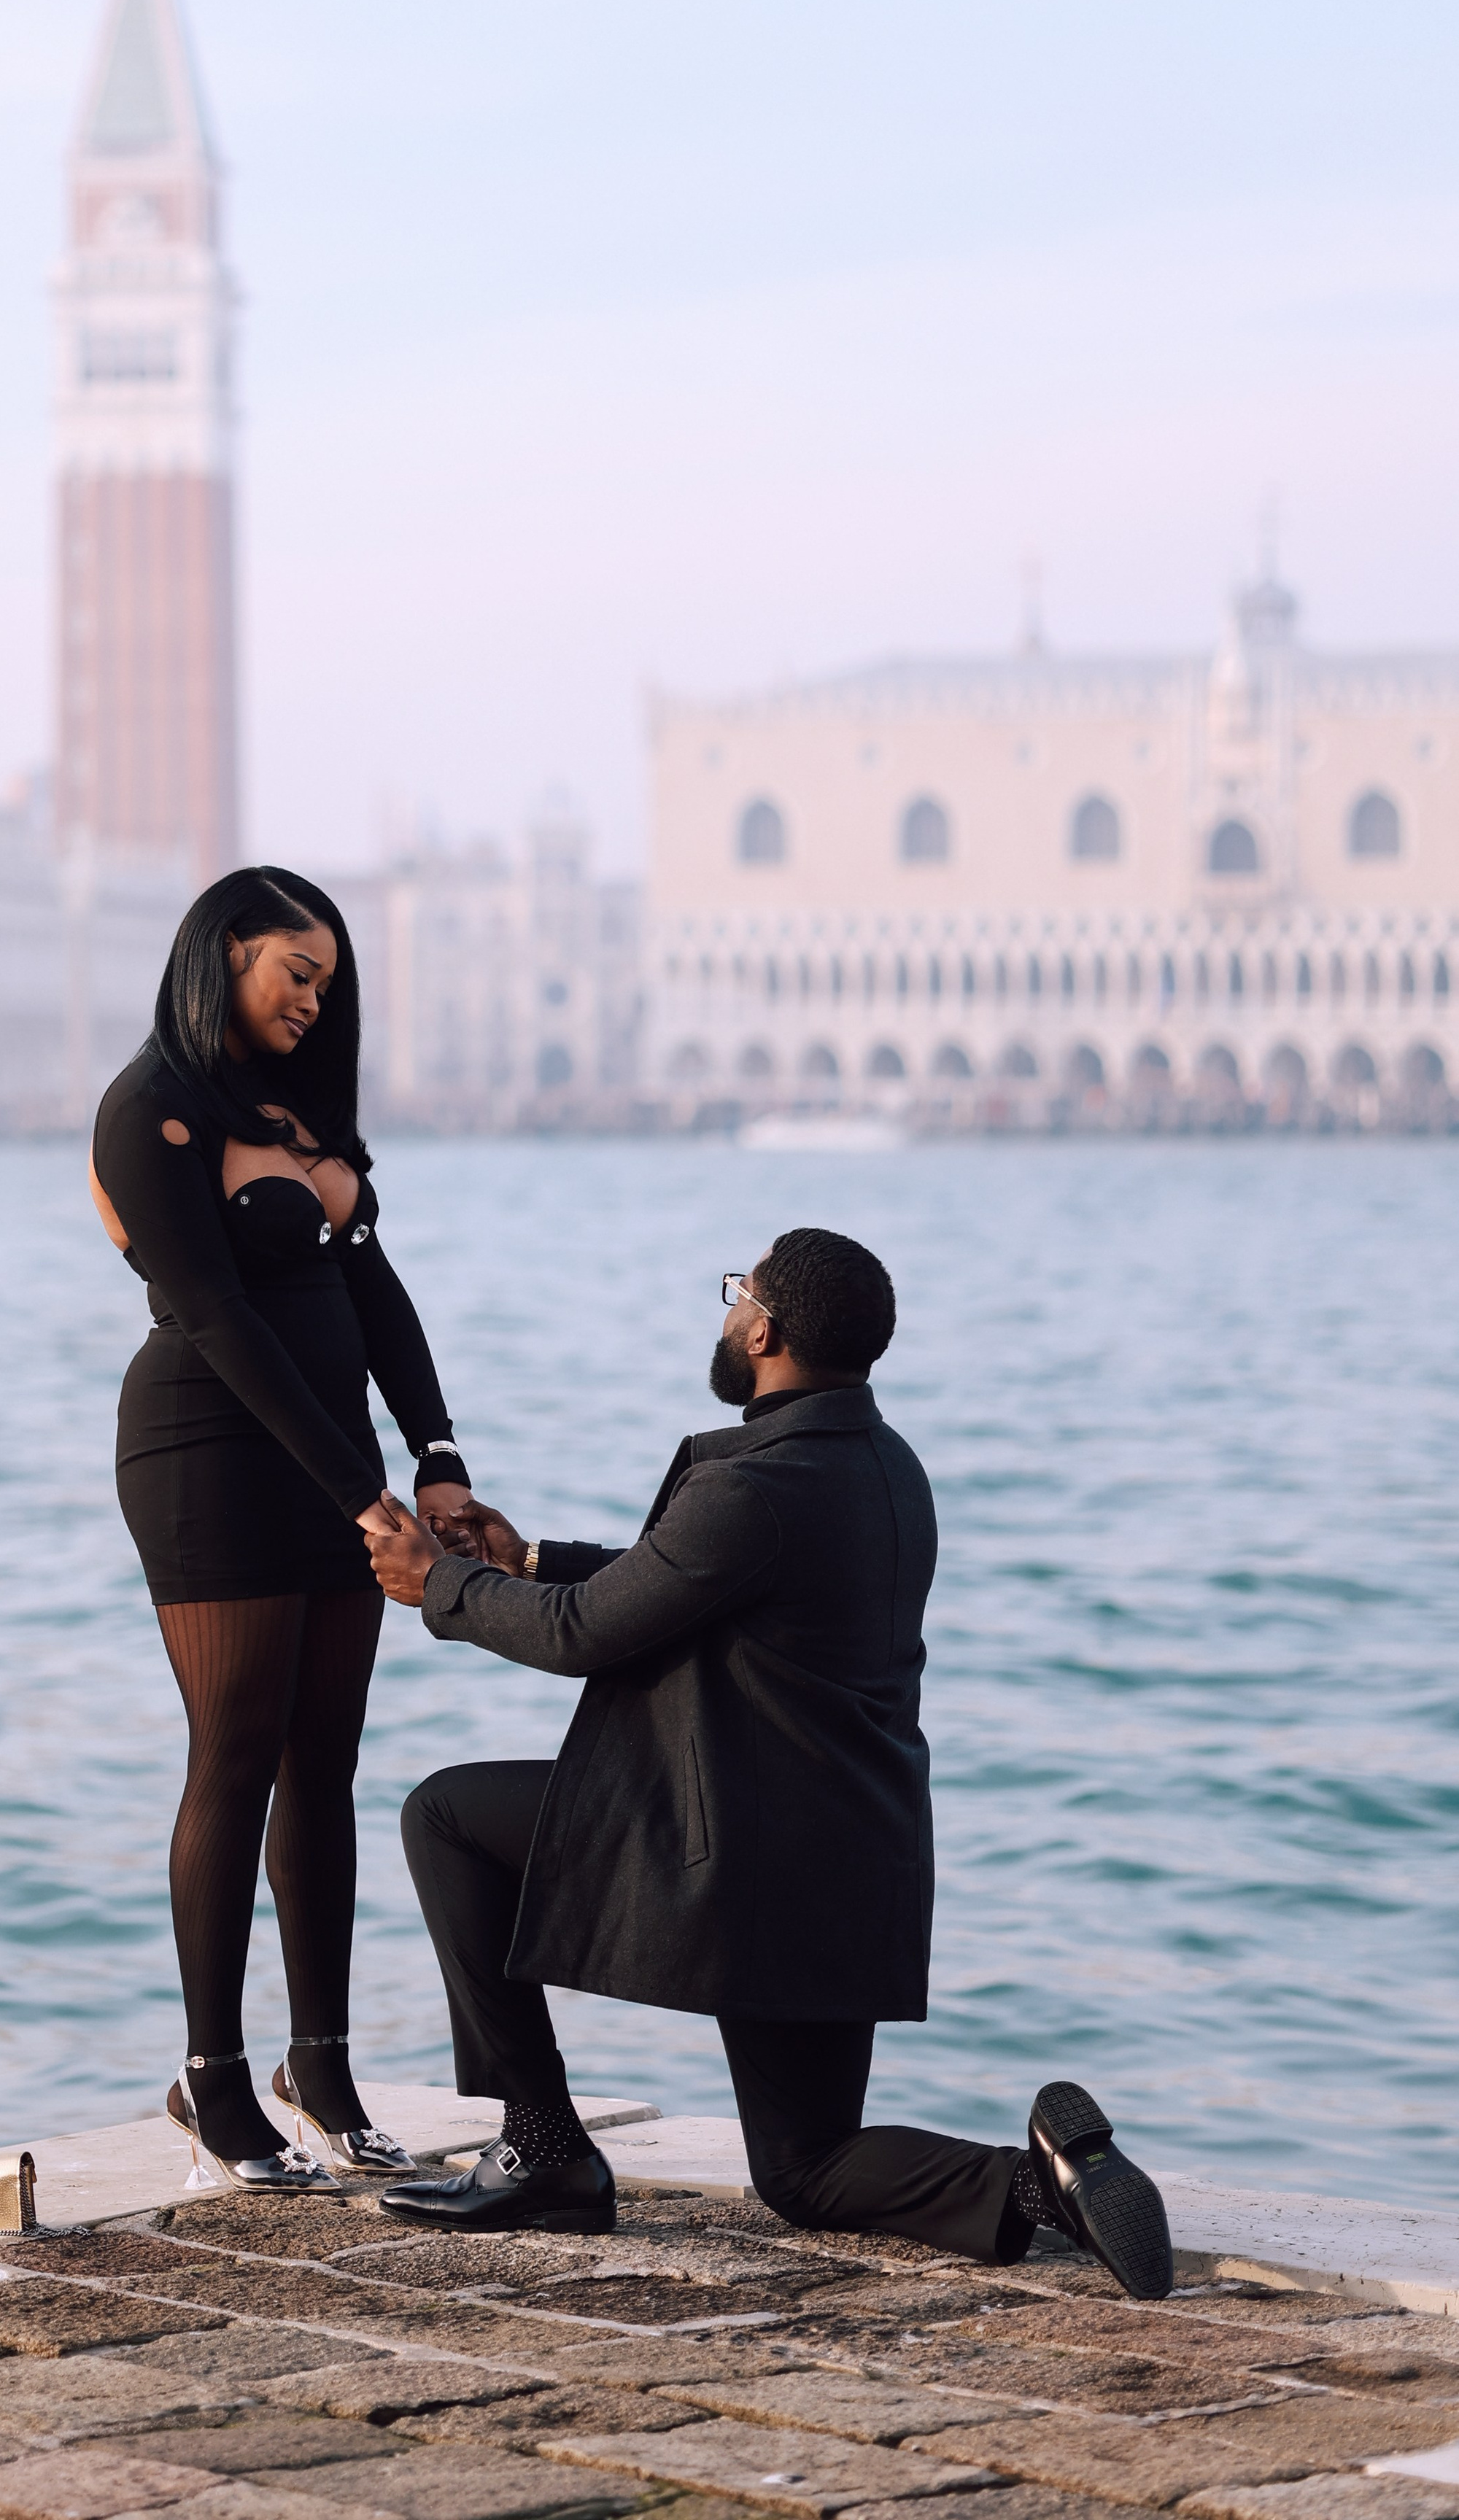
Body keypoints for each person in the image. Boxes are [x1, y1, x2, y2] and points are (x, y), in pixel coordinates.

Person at [362, 1225, 1174, 2298]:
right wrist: (528, 1560)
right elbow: (691, 1583)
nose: (730, 1306)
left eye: (739, 1290)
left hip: (744, 1854)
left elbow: (585, 1634)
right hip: (852, 1856)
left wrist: (445, 1587)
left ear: (766, 1329)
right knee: (806, 2169)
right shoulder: (884, 1463)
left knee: (446, 1817)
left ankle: (544, 2147)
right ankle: (1042, 2187)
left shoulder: (756, 1486)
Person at [90, 867, 473, 2195]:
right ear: (222, 955)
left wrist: (431, 1457)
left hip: (336, 1464)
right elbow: (217, 1317)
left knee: (328, 1762)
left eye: (329, 980)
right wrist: (351, 1488)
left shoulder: (297, 1112)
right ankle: (213, 2077)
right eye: (293, 972)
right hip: (210, 1455)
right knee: (237, 1748)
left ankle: (326, 2068)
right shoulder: (148, 1112)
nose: (316, 999)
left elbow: (374, 1288)